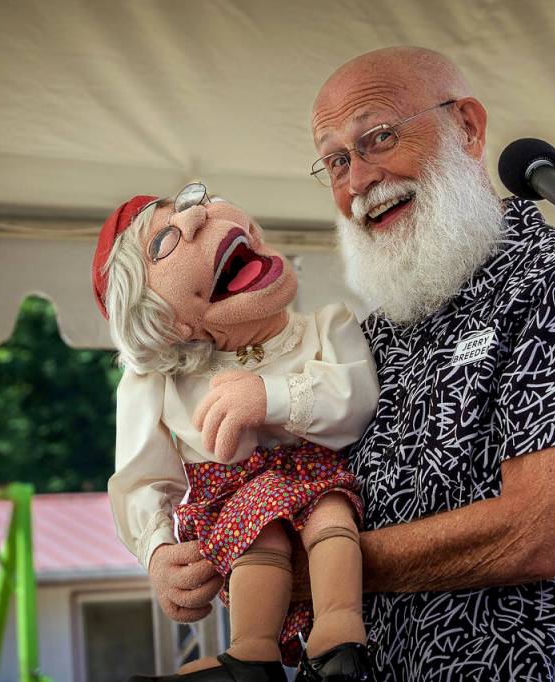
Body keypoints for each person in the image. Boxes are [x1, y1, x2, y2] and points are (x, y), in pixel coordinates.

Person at [305, 46, 555, 681]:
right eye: (336, 160)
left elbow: (539, 533)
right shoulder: (369, 337)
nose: (359, 180)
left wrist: (319, 573)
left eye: (379, 137)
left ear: (468, 128)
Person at [93, 186, 380, 681]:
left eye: (195, 203)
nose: (197, 220)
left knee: (334, 518)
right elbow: (141, 478)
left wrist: (272, 397)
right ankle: (251, 657)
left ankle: (340, 640)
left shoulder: (326, 325)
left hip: (319, 478)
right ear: (167, 320)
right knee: (257, 528)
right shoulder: (156, 381)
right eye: (165, 242)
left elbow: (358, 401)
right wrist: (158, 551)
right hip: (231, 504)